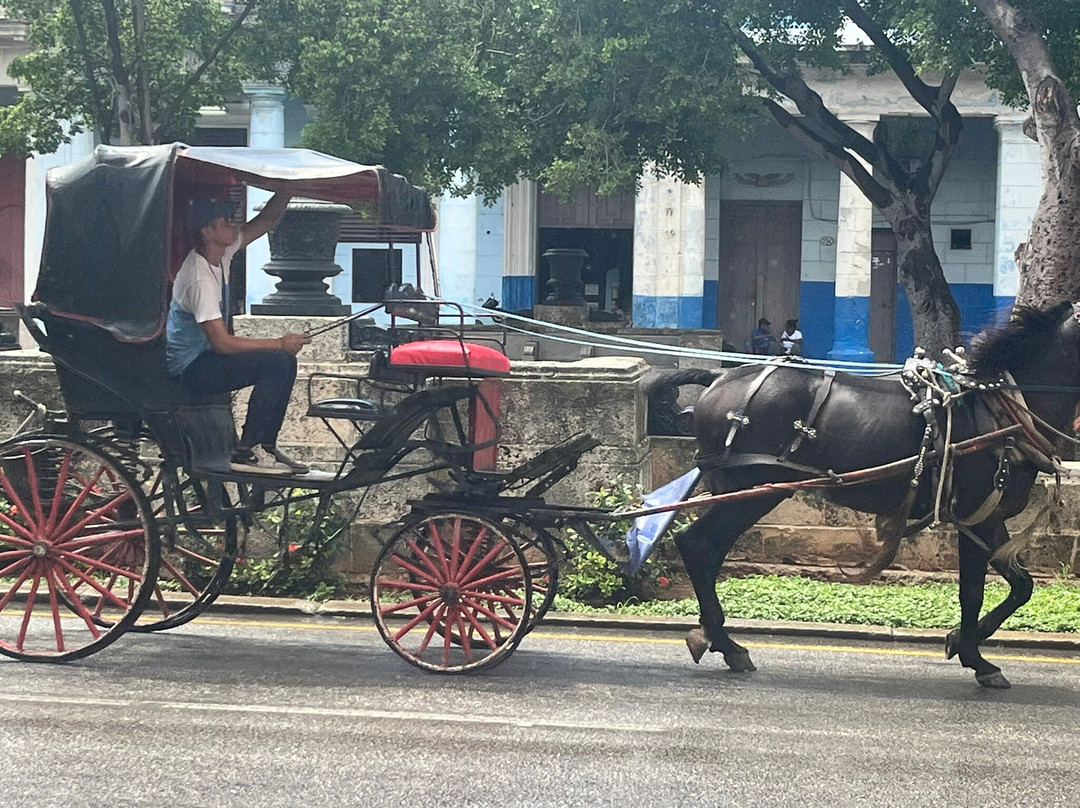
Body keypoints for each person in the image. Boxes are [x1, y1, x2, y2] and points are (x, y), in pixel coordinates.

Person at [166, 193, 310, 475]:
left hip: (207, 358)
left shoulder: (223, 252)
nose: (232, 226)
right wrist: (279, 343)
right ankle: (247, 449)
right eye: (224, 222)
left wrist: (289, 188)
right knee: (277, 362)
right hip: (191, 367)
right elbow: (222, 343)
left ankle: (264, 445)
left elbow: (267, 220)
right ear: (206, 232)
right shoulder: (199, 278)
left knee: (284, 361)